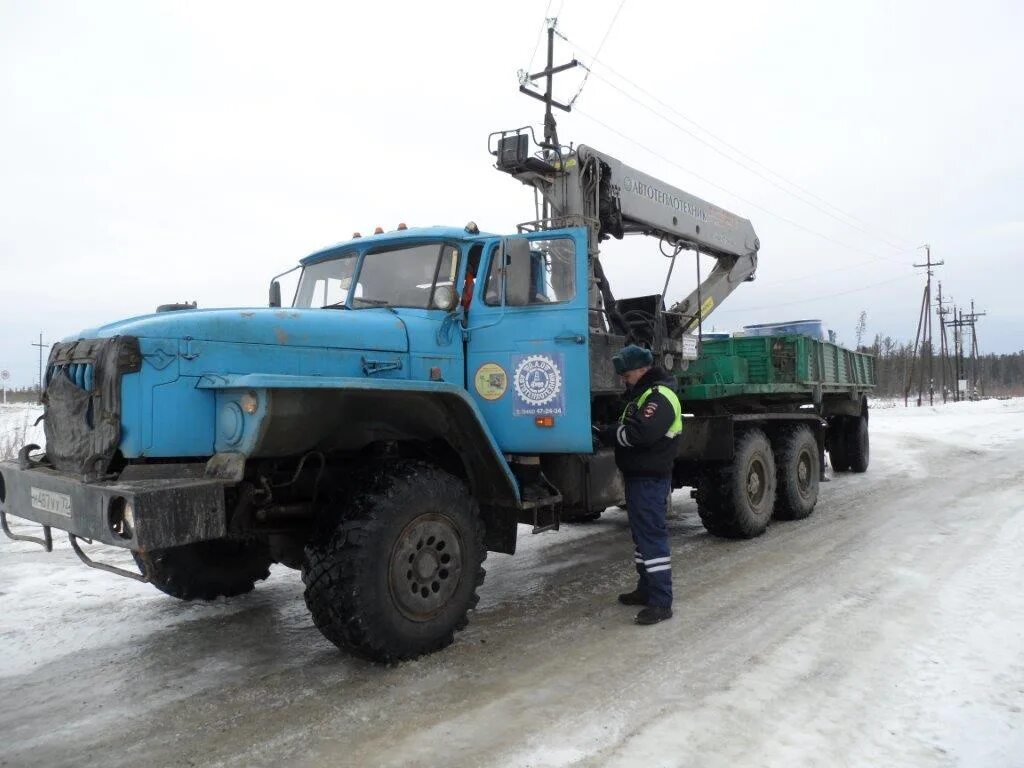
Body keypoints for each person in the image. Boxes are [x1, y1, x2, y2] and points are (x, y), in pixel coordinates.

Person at [596, 344, 683, 625]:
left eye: (627, 373)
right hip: (639, 478)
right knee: (642, 538)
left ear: (643, 369)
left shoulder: (660, 396)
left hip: (650, 479)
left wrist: (608, 434)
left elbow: (641, 433)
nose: (623, 377)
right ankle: (646, 589)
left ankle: (661, 602)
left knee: (652, 538)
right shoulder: (643, 394)